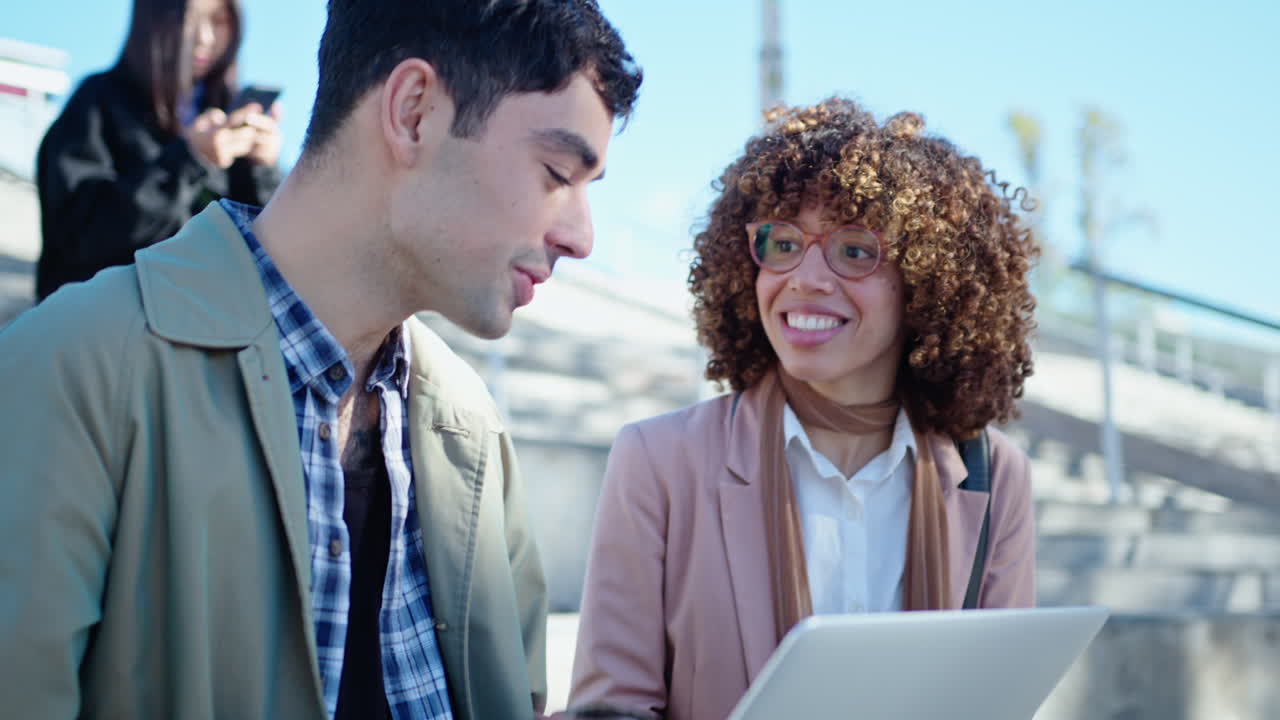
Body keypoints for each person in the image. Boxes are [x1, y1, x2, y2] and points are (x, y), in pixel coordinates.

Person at [0, 1, 641, 719]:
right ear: (415, 112)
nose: (582, 237)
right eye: (558, 172)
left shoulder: (476, 433)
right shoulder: (71, 370)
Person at [568, 98, 1038, 720]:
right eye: (782, 242)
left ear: (927, 283)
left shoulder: (994, 477)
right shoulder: (657, 461)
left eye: (853, 250)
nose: (806, 278)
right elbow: (612, 709)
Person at [34, 0, 282, 301]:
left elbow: (270, 258)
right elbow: (81, 234)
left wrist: (262, 169)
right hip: (101, 328)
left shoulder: (224, 115)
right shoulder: (98, 102)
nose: (204, 37)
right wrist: (191, 160)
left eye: (218, 21)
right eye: (190, 19)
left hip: (202, 332)